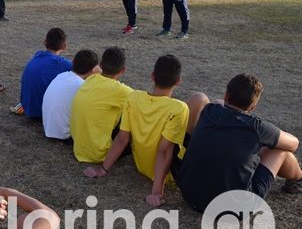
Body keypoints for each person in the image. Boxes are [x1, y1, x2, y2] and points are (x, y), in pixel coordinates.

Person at [83, 55, 209, 207]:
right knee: (200, 99)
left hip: (142, 166)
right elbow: (164, 151)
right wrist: (157, 192)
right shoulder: (178, 108)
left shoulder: (133, 97)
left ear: (152, 76)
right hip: (168, 173)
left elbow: (122, 138)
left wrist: (103, 169)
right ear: (178, 81)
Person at [176, 74, 302, 211]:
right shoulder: (257, 127)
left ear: (226, 96)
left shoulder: (209, 111)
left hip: (190, 196)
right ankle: (298, 180)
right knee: (279, 152)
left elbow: (217, 102)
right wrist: (268, 137)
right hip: (233, 210)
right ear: (253, 106)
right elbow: (294, 144)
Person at [69, 47, 133, 163]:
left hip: (78, 146)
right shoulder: (122, 91)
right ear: (123, 70)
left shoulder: (91, 78)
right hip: (99, 153)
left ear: (101, 65)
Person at [42, 50, 100, 141]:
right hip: (65, 134)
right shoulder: (82, 86)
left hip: (48, 128)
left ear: (73, 62)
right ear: (92, 70)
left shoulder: (61, 75)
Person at [16, 28, 71, 118]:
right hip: (44, 113)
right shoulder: (63, 64)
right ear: (64, 46)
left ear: (45, 42)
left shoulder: (37, 56)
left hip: (27, 107)